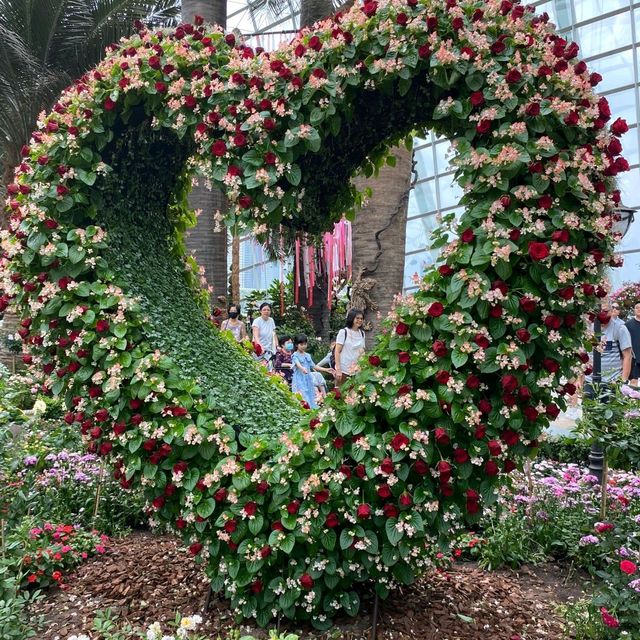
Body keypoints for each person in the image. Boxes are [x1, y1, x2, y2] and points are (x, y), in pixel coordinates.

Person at [585, 300, 633, 397]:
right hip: (589, 382)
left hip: (613, 381)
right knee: (590, 411)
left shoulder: (619, 328)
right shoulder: (588, 328)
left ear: (612, 311)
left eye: (606, 311)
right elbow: (582, 355)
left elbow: (627, 356)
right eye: (600, 311)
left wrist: (623, 382)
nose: (603, 314)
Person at [291, 334, 332, 409]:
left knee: (311, 395)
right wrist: (302, 368)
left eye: (305, 344)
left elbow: (314, 366)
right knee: (302, 396)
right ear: (297, 345)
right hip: (299, 380)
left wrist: (326, 369)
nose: (304, 346)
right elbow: (297, 364)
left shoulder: (307, 355)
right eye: (301, 344)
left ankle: (311, 413)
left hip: (308, 379)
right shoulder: (295, 355)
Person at [334, 309, 366, 385]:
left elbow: (362, 351)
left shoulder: (362, 333)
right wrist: (338, 370)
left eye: (361, 318)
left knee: (355, 395)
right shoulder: (343, 332)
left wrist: (363, 365)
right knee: (340, 394)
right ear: (351, 318)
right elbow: (337, 351)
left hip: (357, 371)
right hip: (343, 370)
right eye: (357, 318)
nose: (360, 320)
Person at [625, 302, 640, 385]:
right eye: (637, 307)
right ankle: (633, 398)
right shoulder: (627, 325)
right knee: (633, 381)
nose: (639, 309)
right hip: (634, 358)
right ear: (634, 310)